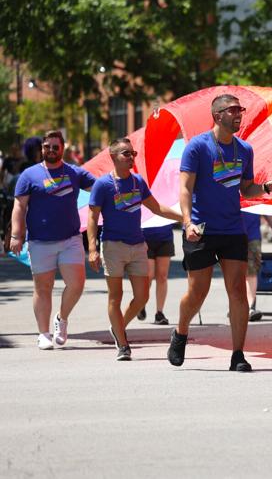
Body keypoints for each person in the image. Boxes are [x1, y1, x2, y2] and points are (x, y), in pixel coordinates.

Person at [168, 93, 272, 372]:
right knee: (198, 292)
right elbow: (185, 188)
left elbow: (247, 189)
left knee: (237, 290)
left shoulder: (244, 149)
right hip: (202, 229)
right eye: (233, 110)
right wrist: (187, 223)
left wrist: (269, 188)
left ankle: (238, 354)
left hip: (233, 228)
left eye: (240, 110)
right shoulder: (197, 147)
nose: (239, 115)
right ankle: (181, 331)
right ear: (217, 115)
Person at [87, 138, 182, 361]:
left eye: (133, 153)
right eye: (125, 154)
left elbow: (157, 207)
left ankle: (118, 326)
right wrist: (92, 248)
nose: (131, 158)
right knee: (116, 297)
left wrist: (185, 218)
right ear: (113, 157)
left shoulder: (138, 182)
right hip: (113, 246)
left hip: (138, 245)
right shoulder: (103, 185)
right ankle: (122, 343)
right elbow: (92, 217)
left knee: (142, 297)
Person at [9, 130, 96, 350]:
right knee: (43, 287)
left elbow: (99, 187)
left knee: (76, 284)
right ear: (42, 149)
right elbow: (19, 206)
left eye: (55, 147)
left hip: (70, 239)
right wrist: (16, 235)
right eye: (47, 146)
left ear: (62, 148)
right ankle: (43, 333)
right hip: (40, 241)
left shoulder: (75, 173)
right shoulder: (29, 175)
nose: (50, 150)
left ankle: (62, 318)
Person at [244, 212, 272, 321]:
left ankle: (250, 307)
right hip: (231, 233)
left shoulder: (254, 194)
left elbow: (263, 207)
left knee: (251, 271)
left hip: (252, 235)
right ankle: (238, 305)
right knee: (235, 272)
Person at [140, 224, 176, 325]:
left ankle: (159, 313)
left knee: (162, 276)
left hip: (165, 238)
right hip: (144, 238)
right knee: (149, 275)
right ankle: (140, 303)